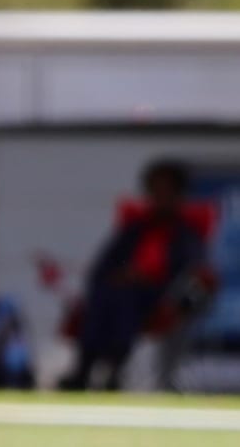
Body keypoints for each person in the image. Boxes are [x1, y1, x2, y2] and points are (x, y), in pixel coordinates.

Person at [59, 158, 210, 391]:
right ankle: (85, 367)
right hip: (118, 292)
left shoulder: (187, 233)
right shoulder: (134, 229)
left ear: (178, 194)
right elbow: (104, 265)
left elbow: (191, 270)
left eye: (166, 190)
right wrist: (120, 276)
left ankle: (113, 367)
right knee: (105, 296)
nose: (159, 197)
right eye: (154, 190)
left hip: (161, 297)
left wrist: (144, 278)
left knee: (123, 299)